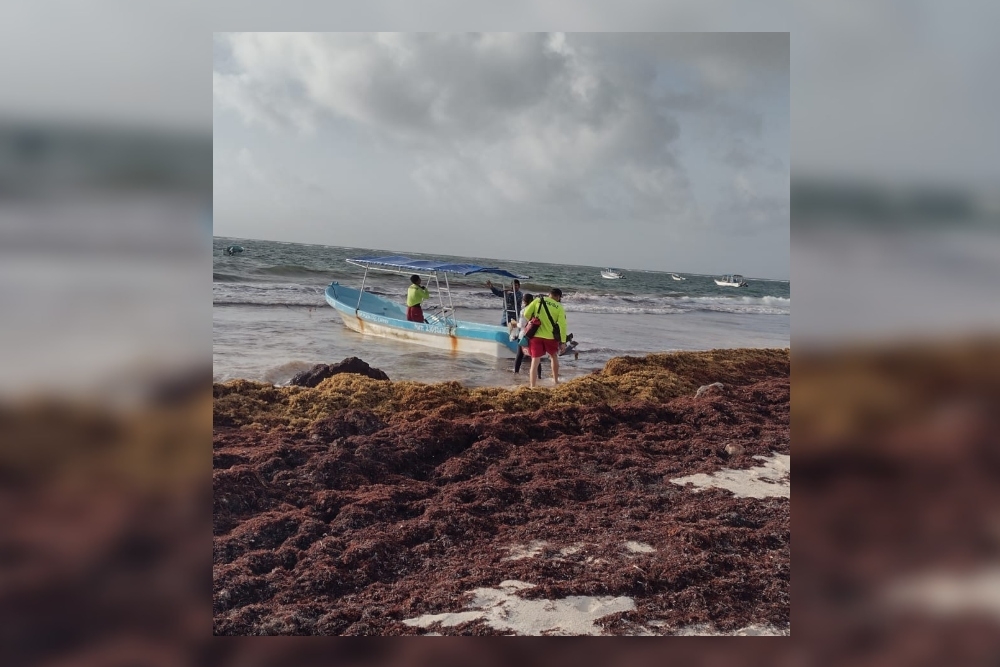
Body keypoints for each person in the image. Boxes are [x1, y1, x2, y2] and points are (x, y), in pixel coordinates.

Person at [521, 288, 568, 388]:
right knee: (553, 357)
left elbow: (525, 313)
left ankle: (532, 386)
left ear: (549, 294)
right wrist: (563, 342)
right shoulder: (559, 307)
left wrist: (532, 320)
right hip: (550, 338)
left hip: (536, 335)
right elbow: (563, 325)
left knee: (535, 361)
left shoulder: (537, 300)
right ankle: (555, 381)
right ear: (558, 297)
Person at [511, 293, 541, 379]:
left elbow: (522, 325)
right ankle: (539, 376)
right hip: (535, 336)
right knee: (536, 356)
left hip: (524, 335)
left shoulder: (523, 311)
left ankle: (516, 373)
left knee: (519, 355)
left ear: (524, 301)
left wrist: (515, 324)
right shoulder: (537, 311)